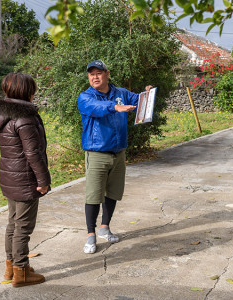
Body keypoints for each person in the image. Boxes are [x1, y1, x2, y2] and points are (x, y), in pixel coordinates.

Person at [78, 60, 152, 254]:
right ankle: (90, 235)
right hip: (97, 153)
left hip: (119, 152)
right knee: (94, 195)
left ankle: (105, 227)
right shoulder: (85, 96)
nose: (95, 77)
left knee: (113, 193)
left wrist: (147, 95)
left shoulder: (121, 93)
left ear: (107, 74)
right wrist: (115, 107)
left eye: (99, 73)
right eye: (91, 73)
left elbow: (138, 101)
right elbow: (95, 108)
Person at [0, 73, 51, 287]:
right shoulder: (24, 117)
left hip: (9, 176)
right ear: (26, 91)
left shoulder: (4, 115)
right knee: (23, 227)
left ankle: (11, 267)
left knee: (13, 224)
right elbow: (32, 153)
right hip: (25, 178)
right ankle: (21, 272)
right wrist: (43, 180)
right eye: (33, 89)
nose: (35, 93)